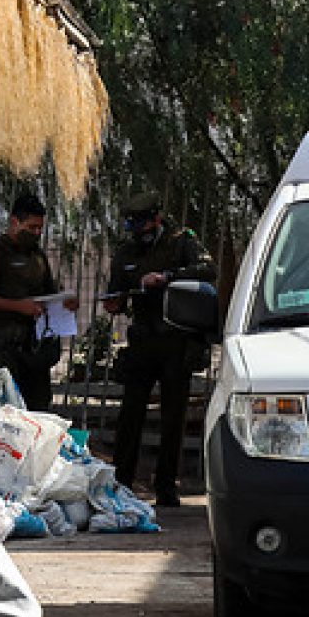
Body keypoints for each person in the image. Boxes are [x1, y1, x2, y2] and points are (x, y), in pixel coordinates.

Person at [103, 193, 216, 507]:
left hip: (176, 341)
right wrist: (115, 302)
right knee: (131, 415)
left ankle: (166, 485)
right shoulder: (126, 251)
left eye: (141, 223)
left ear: (156, 219)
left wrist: (168, 278)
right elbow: (117, 292)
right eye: (131, 224)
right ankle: (122, 482)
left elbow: (207, 271)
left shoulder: (182, 242)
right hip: (142, 340)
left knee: (173, 417)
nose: (137, 230)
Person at [0, 192, 79, 412]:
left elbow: (49, 293)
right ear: (14, 222)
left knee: (38, 410)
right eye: (31, 228)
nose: (37, 233)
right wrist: (18, 306)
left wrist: (65, 303)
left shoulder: (37, 256)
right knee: (8, 412)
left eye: (40, 228)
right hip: (3, 349)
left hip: (34, 349)